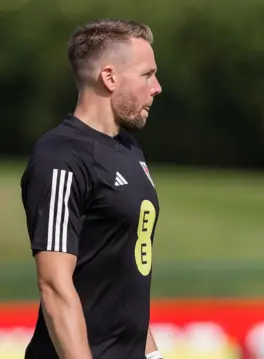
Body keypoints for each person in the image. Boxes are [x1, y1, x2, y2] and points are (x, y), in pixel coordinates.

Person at [20, 19, 163, 359]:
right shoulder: (61, 156)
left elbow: (125, 271)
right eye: (147, 75)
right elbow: (54, 286)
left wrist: (152, 354)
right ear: (109, 77)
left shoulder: (128, 148)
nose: (156, 87)